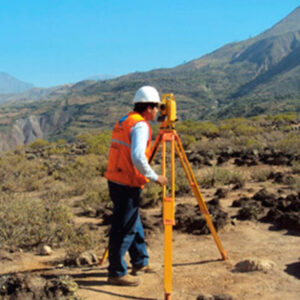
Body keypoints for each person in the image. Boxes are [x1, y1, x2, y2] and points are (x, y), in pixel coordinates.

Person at [105, 85, 168, 286]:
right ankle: (116, 271)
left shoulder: (125, 120)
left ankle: (140, 261)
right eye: (156, 108)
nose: (157, 112)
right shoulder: (140, 126)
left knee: (133, 220)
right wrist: (154, 176)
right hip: (127, 182)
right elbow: (137, 156)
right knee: (124, 228)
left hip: (115, 178)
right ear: (149, 108)